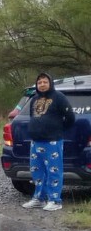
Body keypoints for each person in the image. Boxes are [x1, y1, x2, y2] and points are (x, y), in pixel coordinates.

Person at [22, 72, 75, 211]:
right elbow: (32, 116)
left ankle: (55, 200)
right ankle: (39, 199)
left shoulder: (59, 97)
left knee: (54, 171)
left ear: (50, 83)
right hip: (36, 141)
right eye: (39, 82)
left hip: (52, 141)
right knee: (37, 172)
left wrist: (58, 129)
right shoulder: (34, 99)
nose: (42, 84)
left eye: (45, 82)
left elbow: (70, 117)